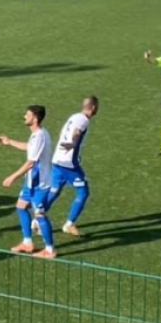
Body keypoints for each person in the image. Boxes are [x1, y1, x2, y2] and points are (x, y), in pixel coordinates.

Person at [0, 105, 56, 259]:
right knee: (21, 207)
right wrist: (9, 142)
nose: (24, 116)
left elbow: (31, 162)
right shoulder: (36, 135)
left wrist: (12, 177)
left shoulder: (40, 136)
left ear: (35, 119)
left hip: (40, 184)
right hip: (31, 182)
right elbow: (29, 148)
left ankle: (50, 250)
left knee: (40, 214)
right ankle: (28, 242)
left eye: (27, 115)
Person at [44, 96, 100, 238]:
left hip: (57, 159)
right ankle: (69, 224)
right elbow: (76, 133)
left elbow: (64, 133)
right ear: (93, 107)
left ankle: (38, 218)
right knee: (83, 192)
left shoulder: (74, 116)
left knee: (55, 191)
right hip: (69, 164)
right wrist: (74, 144)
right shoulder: (84, 120)